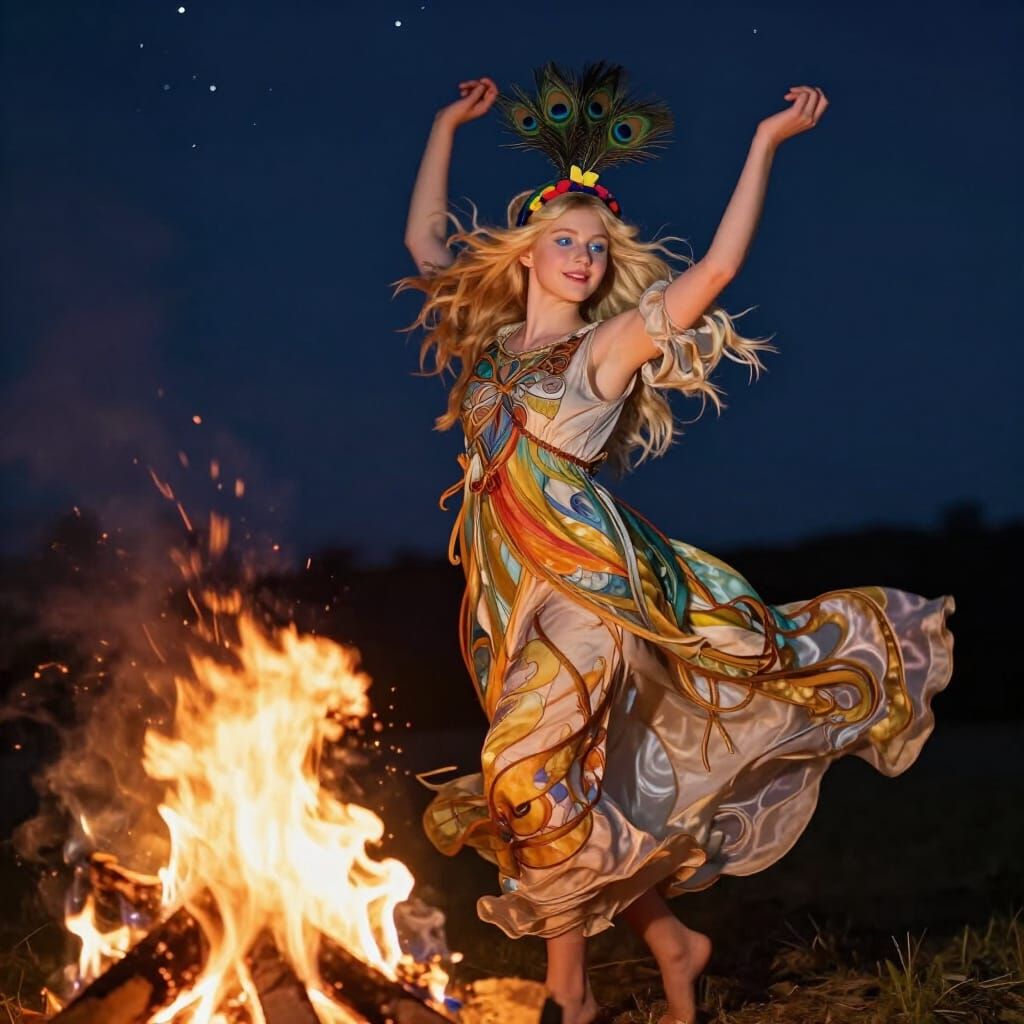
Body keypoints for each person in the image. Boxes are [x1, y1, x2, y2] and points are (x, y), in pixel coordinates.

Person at [395, 64, 954, 1024]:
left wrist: (764, 144)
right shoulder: (492, 355)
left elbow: (718, 274)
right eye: (564, 242)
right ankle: (668, 943)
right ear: (529, 253)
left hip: (590, 596)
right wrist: (446, 123)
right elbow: (423, 238)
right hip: (505, 604)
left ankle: (567, 995)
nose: (581, 258)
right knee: (556, 793)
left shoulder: (601, 353)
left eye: (597, 249)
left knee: (522, 775)